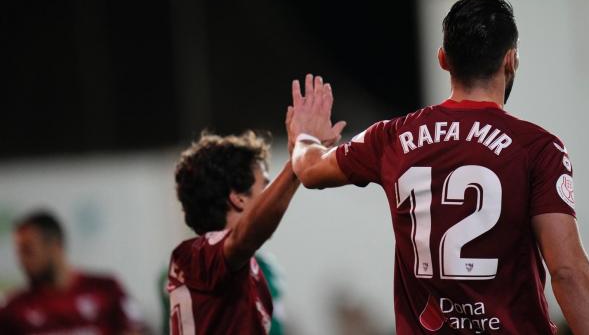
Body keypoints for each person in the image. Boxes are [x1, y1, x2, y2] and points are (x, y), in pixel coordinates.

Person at [287, 0, 589, 334]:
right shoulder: (538, 148)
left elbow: (309, 170)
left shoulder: (391, 137)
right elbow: (568, 272)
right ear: (511, 60)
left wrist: (305, 137)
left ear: (443, 59)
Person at [168, 123, 343, 333]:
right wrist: (297, 166)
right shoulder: (195, 257)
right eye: (265, 185)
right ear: (239, 199)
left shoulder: (242, 267)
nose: (271, 194)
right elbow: (242, 239)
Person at [0, 210, 145, 334]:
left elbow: (134, 330)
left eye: (28, 251)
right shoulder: (14, 309)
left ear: (54, 246)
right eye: (19, 253)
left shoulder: (106, 289)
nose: (22, 261)